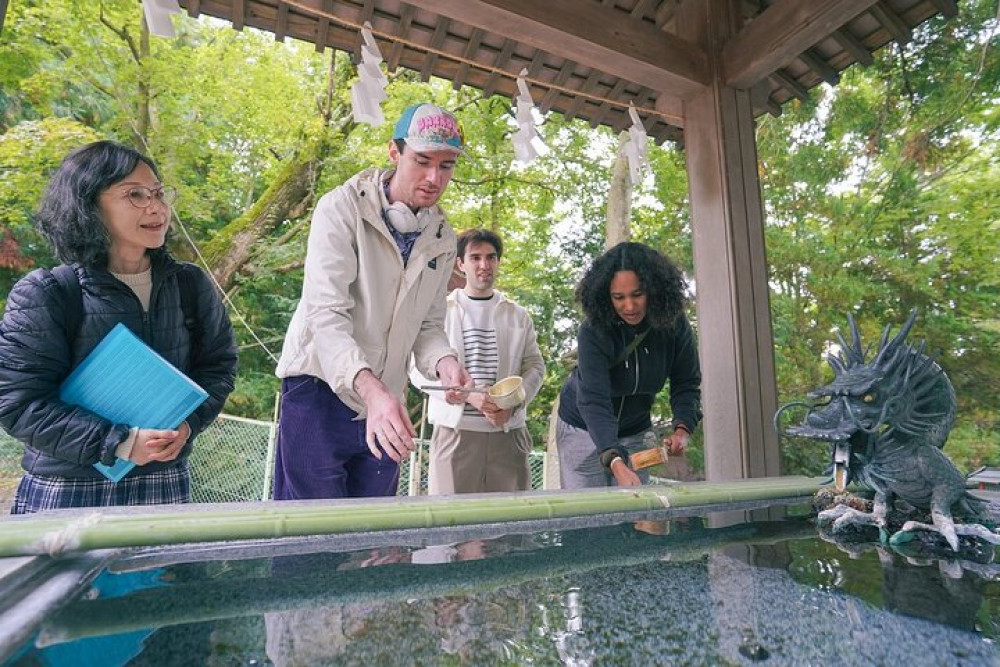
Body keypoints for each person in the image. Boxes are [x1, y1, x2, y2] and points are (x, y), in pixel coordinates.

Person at [0, 141, 238, 513]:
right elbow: (17, 404)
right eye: (136, 195)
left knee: (162, 575)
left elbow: (219, 366)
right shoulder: (47, 292)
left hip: (163, 479)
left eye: (159, 193)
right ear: (88, 204)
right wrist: (120, 443)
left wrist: (189, 423)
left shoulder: (190, 285)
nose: (157, 207)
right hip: (67, 487)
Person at [274, 103, 471, 500]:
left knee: (373, 539)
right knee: (307, 537)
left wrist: (445, 362)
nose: (434, 177)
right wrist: (373, 392)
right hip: (318, 389)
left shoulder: (444, 238)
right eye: (422, 161)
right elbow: (325, 316)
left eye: (446, 165)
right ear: (394, 153)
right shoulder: (340, 208)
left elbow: (429, 326)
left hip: (387, 401)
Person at [556, 241, 701, 489]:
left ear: (654, 290)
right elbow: (593, 399)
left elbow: (686, 382)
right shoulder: (593, 330)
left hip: (636, 431)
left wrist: (682, 429)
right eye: (618, 297)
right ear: (605, 296)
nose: (630, 306)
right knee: (588, 519)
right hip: (583, 430)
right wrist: (614, 459)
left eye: (637, 294)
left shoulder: (673, 324)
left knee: (633, 513)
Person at [412, 229, 545, 494]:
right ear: (461, 264)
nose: (484, 265)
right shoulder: (439, 313)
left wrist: (515, 403)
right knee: (452, 526)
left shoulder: (518, 315)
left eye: (491, 257)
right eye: (475, 258)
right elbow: (416, 370)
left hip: (508, 433)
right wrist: (467, 396)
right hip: (455, 432)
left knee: (509, 524)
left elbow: (536, 367)